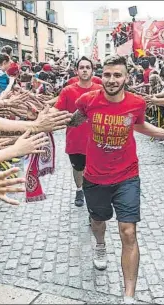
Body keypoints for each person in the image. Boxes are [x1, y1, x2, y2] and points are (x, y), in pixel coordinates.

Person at [68, 55, 164, 303]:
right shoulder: (88, 101)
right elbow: (71, 119)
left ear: (126, 77)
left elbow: (139, 126)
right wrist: (39, 124)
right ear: (102, 76)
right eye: (107, 75)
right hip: (95, 176)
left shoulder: (136, 103)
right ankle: (100, 244)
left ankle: (128, 296)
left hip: (127, 175)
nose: (111, 80)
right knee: (98, 221)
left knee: (128, 232)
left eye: (117, 75)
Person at [53, 56, 102, 207]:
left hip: (97, 139)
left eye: (88, 67)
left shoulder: (100, 90)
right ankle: (79, 189)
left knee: (93, 170)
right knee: (78, 169)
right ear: (76, 71)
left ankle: (92, 196)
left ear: (92, 71)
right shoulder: (68, 90)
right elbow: (56, 109)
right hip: (75, 139)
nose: (85, 70)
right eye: (82, 67)